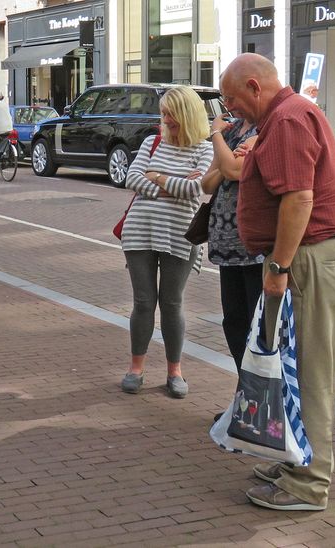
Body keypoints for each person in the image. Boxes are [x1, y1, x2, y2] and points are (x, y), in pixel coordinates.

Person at [221, 53, 335, 511]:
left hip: (310, 259)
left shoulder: (286, 119)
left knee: (311, 371)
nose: (230, 109)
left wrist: (278, 267)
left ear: (255, 87)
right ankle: (296, 459)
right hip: (314, 257)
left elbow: (298, 198)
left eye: (233, 99)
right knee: (299, 369)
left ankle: (310, 481)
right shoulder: (289, 114)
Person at [120, 86, 214, 398]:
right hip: (140, 231)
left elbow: (195, 190)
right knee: (143, 302)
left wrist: (157, 178)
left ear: (188, 114)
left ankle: (175, 371)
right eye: (163, 113)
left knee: (172, 303)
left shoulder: (204, 148)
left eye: (172, 113)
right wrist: (173, 184)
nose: (167, 119)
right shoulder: (152, 141)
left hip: (180, 234)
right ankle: (136, 368)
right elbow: (131, 178)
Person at [201, 114, 261, 420]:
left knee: (257, 328)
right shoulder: (235, 130)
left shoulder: (265, 127)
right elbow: (207, 181)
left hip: (254, 249)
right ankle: (246, 399)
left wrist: (215, 136)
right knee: (234, 322)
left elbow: (232, 171)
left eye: (232, 95)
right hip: (226, 247)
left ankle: (260, 404)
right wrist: (226, 158)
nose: (228, 104)